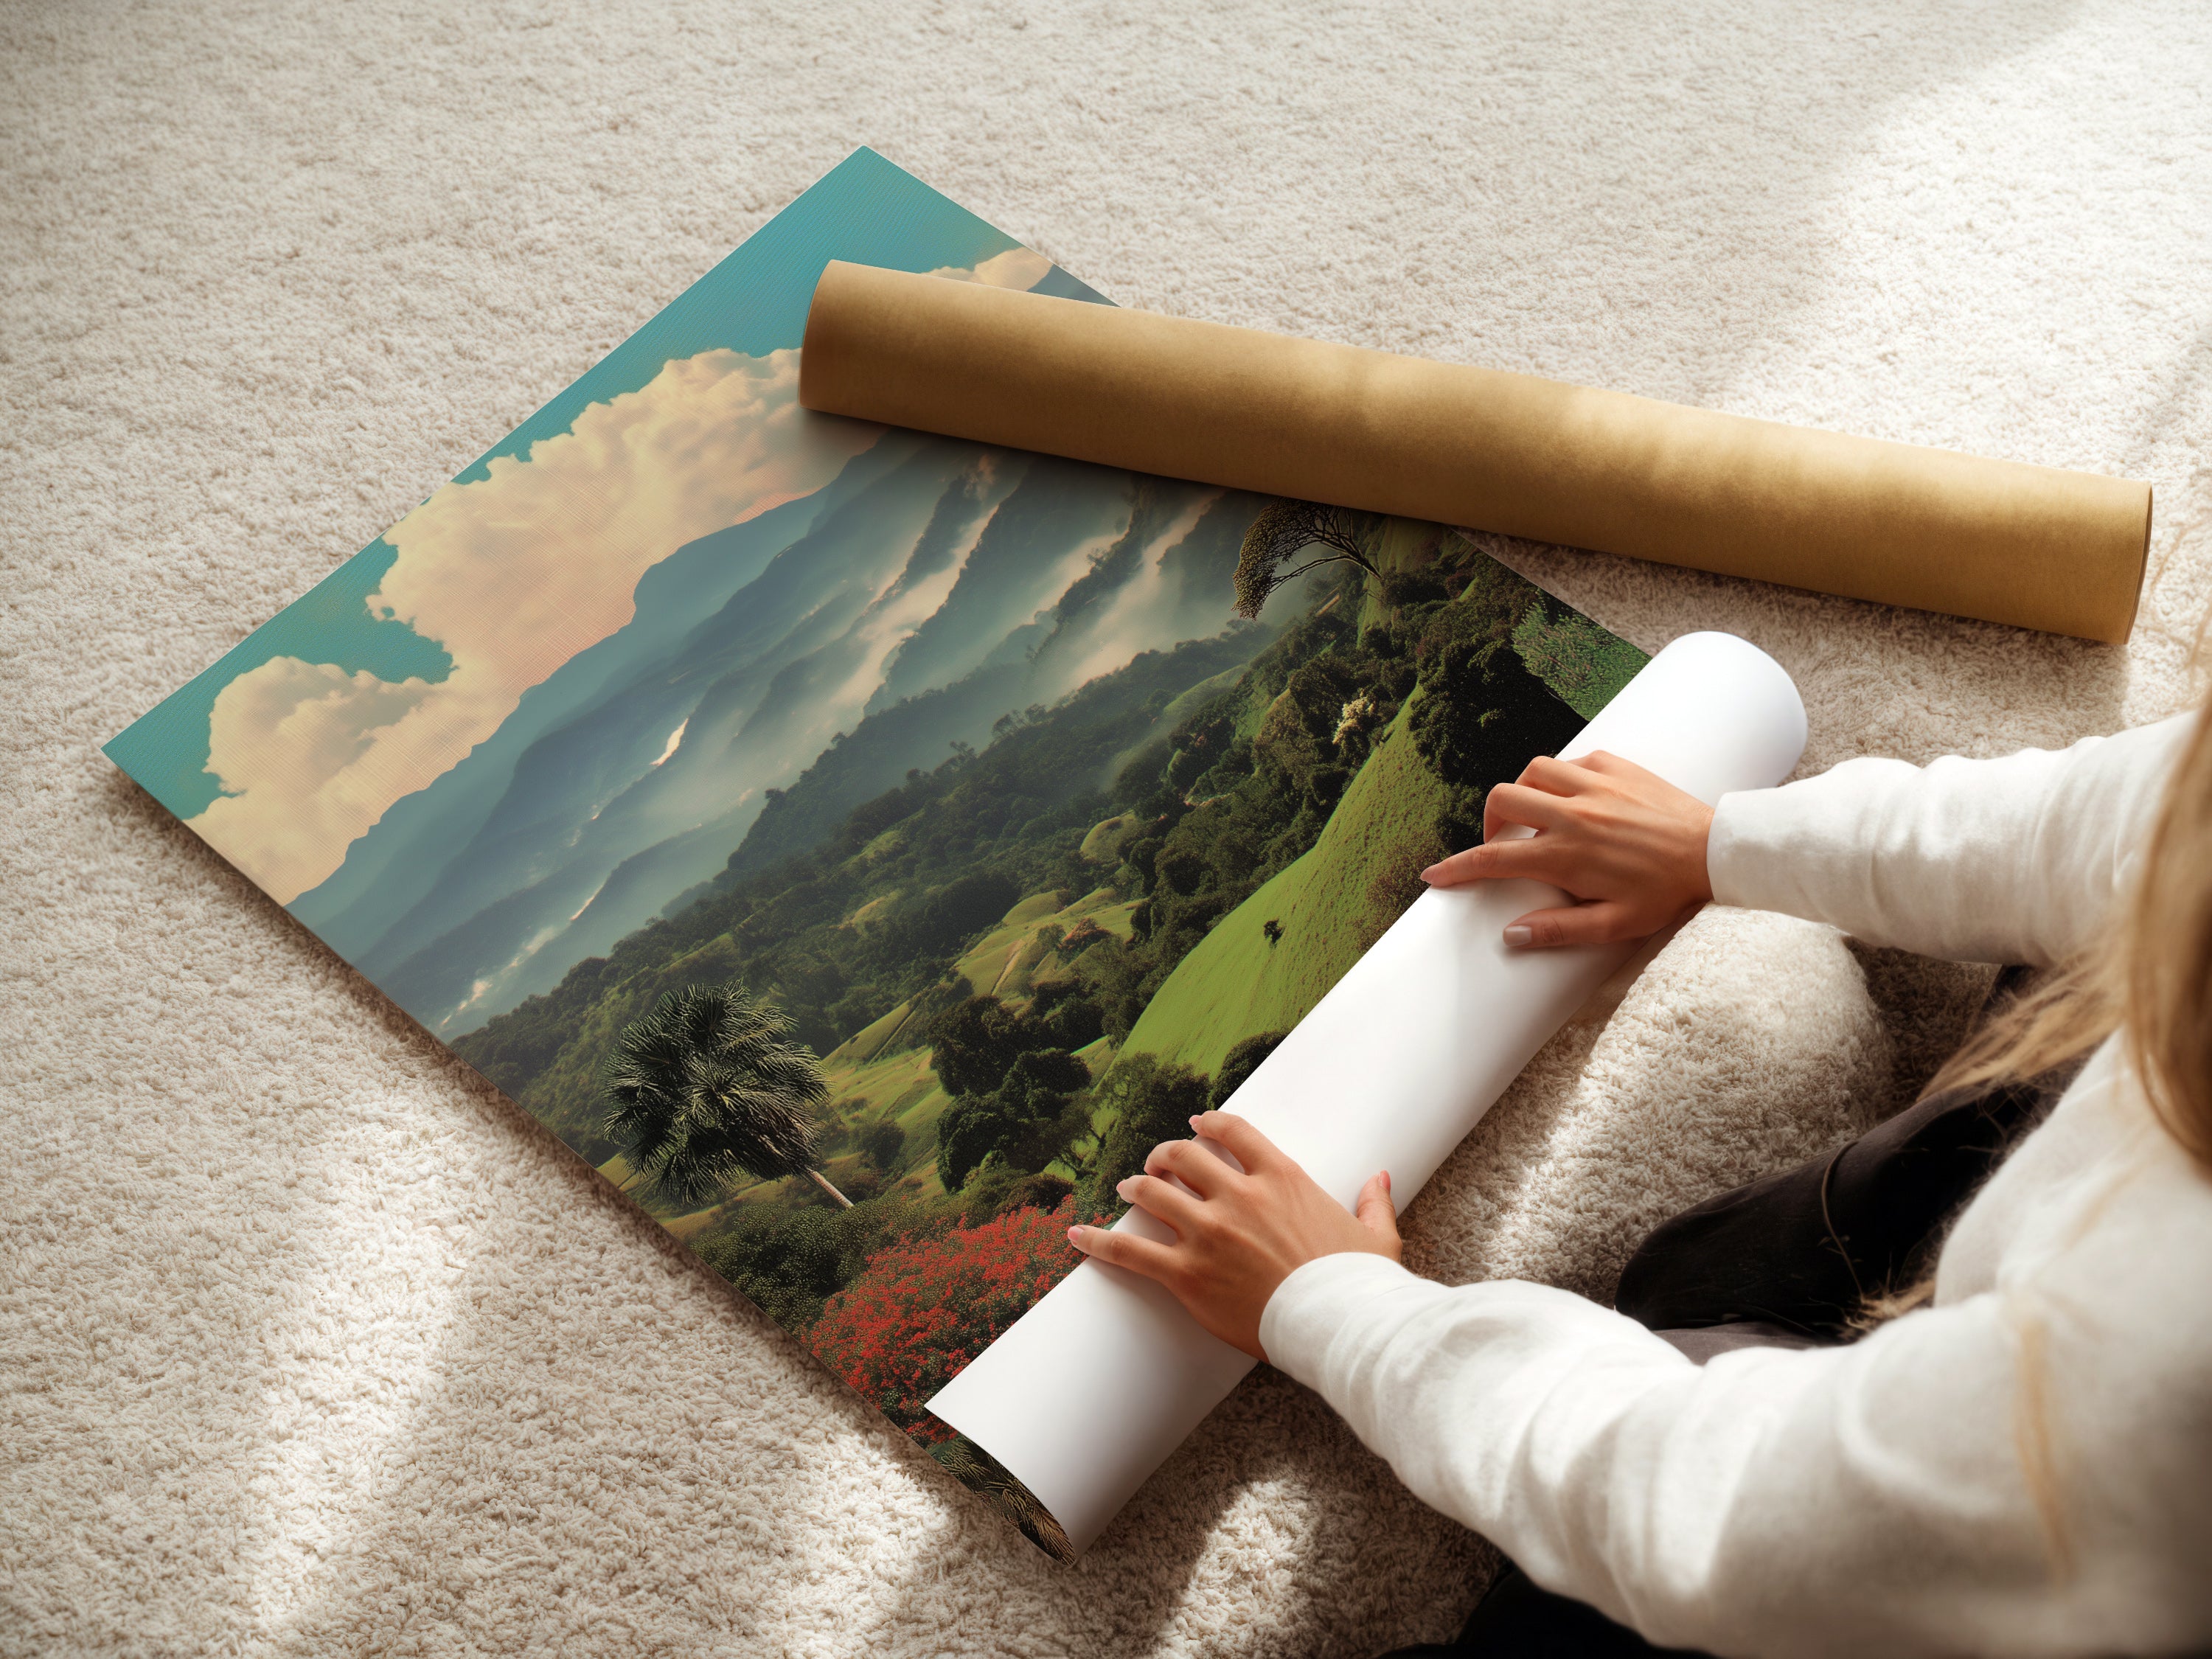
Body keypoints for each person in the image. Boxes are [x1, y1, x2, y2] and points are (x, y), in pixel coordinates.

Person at [1066, 708, 2212, 1657]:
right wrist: (1720, 842)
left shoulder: (2158, 1376)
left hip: (2047, 1550)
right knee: (1693, 1273)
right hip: (2054, 1314)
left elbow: (1720, 1512)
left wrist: (1335, 1306)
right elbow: (2128, 818)